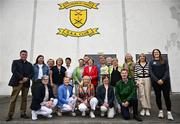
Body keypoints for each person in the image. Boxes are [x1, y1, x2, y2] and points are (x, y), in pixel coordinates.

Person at [6, 50, 34, 121]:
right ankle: (10, 115)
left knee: (24, 99)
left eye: (25, 54)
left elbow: (32, 73)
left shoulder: (30, 64)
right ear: (20, 55)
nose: (24, 55)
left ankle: (23, 113)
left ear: (27, 55)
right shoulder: (15, 62)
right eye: (23, 54)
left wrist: (27, 78)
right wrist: (22, 78)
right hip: (17, 82)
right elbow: (14, 71)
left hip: (26, 83)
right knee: (13, 99)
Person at [149, 49, 174, 120]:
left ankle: (169, 112)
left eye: (157, 52)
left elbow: (167, 71)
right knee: (158, 97)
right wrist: (157, 80)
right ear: (153, 54)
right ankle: (160, 111)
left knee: (167, 97)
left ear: (159, 53)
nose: (156, 53)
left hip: (165, 82)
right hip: (156, 83)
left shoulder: (164, 61)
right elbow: (151, 72)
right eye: (154, 52)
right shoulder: (151, 62)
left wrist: (162, 79)